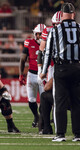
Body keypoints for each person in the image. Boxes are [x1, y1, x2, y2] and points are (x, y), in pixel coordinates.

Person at [40, 3, 80, 142]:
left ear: (62, 15)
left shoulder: (55, 30)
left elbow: (47, 53)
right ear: (73, 14)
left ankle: (61, 134)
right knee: (77, 103)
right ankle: (78, 134)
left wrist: (44, 71)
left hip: (61, 69)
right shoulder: (79, 28)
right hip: (77, 68)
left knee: (60, 102)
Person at [19, 24, 46, 128]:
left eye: (41, 34)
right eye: (38, 34)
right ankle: (36, 117)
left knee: (44, 100)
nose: (39, 36)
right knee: (31, 100)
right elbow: (22, 59)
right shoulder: (29, 42)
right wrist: (21, 74)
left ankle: (43, 120)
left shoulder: (50, 43)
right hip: (31, 74)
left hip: (44, 75)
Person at [37, 11, 61, 84]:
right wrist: (40, 69)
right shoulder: (48, 30)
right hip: (53, 63)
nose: (57, 26)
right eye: (55, 24)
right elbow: (41, 51)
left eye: (59, 24)